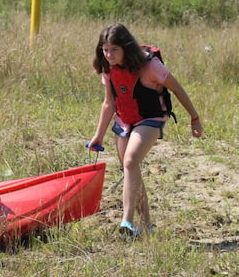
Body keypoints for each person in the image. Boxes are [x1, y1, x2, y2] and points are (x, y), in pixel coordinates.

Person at [86, 24, 203, 238]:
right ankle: (147, 226)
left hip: (151, 118)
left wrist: (194, 118)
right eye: (105, 49)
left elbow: (177, 89)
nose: (109, 54)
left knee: (130, 162)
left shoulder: (150, 66)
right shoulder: (108, 68)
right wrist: (98, 135)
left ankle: (126, 222)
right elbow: (108, 103)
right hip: (124, 120)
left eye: (114, 50)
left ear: (126, 49)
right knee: (131, 170)